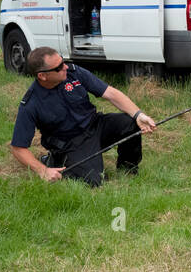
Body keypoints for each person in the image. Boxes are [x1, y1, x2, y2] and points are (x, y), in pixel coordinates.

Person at [9, 48, 157, 186]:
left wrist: (139, 114)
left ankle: (128, 170)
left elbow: (110, 93)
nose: (65, 67)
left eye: (63, 61)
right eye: (59, 67)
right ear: (42, 76)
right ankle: (53, 161)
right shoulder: (31, 103)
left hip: (95, 125)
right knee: (93, 181)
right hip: (71, 143)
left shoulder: (74, 72)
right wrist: (43, 171)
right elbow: (18, 148)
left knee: (130, 123)